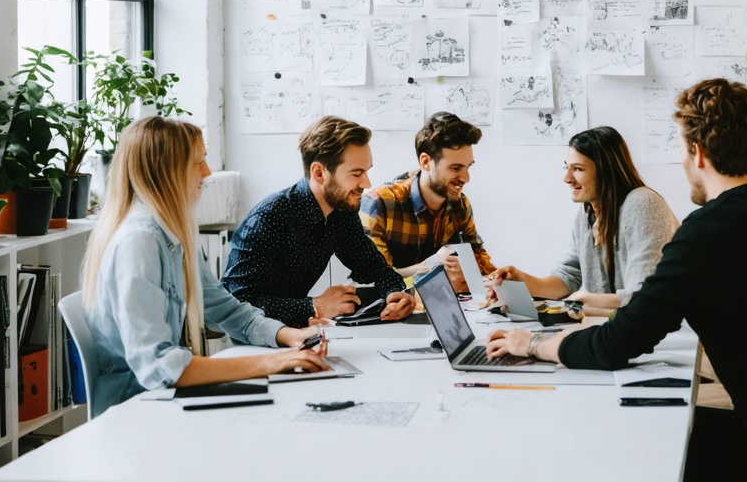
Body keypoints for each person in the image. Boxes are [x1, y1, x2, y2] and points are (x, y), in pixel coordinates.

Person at [485, 79, 747, 482]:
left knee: (629, 443)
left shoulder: (705, 233)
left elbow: (620, 341)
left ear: (698, 153)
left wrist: (532, 344)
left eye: (681, 151)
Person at [82, 116, 328, 417]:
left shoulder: (172, 235)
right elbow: (161, 367)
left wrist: (287, 335)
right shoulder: (139, 243)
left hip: (165, 400)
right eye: (198, 162)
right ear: (167, 170)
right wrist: (271, 363)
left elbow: (226, 308)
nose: (208, 172)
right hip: (137, 411)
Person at [223, 116, 415, 327]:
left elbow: (374, 268)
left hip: (298, 333)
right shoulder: (267, 219)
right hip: (255, 342)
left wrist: (395, 294)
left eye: (367, 171)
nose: (366, 183)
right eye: (356, 173)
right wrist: (315, 306)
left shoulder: (341, 211)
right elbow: (235, 305)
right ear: (319, 173)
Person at [487, 126, 678, 315]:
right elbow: (570, 275)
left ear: (606, 171)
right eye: (567, 167)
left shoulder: (642, 203)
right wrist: (523, 282)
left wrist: (583, 301)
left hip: (664, 334)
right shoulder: (587, 212)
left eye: (578, 169)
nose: (567, 178)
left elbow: (643, 297)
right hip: (617, 328)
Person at [360, 111, 495, 293]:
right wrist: (431, 267)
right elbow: (376, 280)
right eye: (455, 168)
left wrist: (486, 276)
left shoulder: (460, 205)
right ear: (426, 162)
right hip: (392, 312)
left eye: (468, 167)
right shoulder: (379, 204)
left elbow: (479, 257)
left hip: (449, 307)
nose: (466, 178)